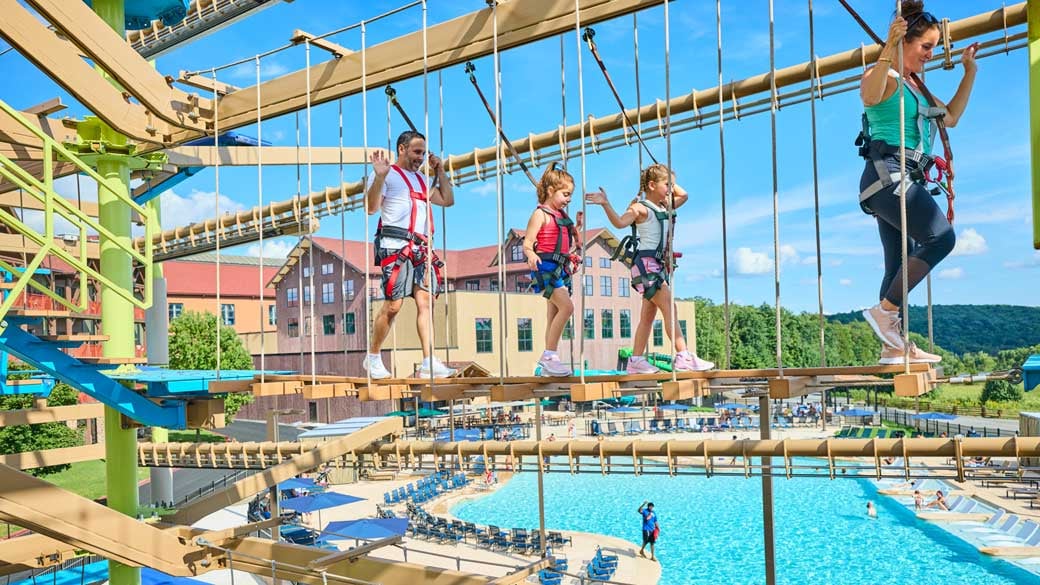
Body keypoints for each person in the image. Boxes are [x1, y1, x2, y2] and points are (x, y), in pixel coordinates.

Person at [857, 1, 978, 365]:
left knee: (898, 265)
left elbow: (951, 117)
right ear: (904, 42)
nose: (929, 55)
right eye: (925, 47)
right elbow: (868, 94)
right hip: (887, 174)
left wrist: (969, 71)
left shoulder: (914, 87)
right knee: (941, 237)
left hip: (899, 179)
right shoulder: (888, 78)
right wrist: (886, 50)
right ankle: (884, 312)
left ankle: (893, 347)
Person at [586, 165, 713, 373]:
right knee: (670, 307)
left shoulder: (665, 206)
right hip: (647, 266)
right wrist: (606, 204)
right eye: (667, 185)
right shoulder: (640, 209)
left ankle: (635, 360)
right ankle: (683, 355)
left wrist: (667, 176)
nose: (671, 190)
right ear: (652, 185)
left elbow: (685, 195)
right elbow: (619, 223)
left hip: (655, 267)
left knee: (647, 316)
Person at [363, 131, 456, 379]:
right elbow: (371, 208)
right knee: (393, 306)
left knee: (426, 302)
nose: (420, 158)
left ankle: (428, 360)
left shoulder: (422, 181)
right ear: (402, 149)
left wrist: (440, 171)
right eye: (417, 152)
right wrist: (380, 178)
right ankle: (372, 356)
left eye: (424, 153)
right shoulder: (386, 174)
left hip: (421, 250)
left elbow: (448, 200)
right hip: (396, 247)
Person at [523, 163, 584, 377]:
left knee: (554, 313)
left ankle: (548, 359)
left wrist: (577, 226)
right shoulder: (540, 215)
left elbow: (569, 245)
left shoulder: (561, 218)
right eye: (565, 194)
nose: (568, 199)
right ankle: (549, 355)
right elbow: (528, 243)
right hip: (545, 268)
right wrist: (531, 255)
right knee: (567, 308)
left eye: (570, 195)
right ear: (551, 191)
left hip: (560, 269)